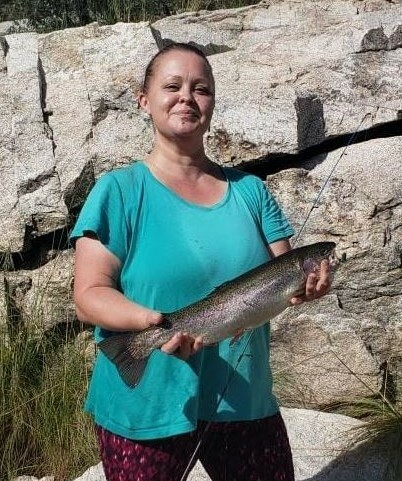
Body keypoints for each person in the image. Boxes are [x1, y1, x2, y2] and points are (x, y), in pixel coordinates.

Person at [71, 42, 330, 481]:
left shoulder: (252, 191)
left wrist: (309, 288)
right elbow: (89, 296)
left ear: (212, 102)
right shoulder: (117, 192)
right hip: (147, 404)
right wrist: (155, 323)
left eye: (201, 88)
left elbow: (285, 279)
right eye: (171, 86)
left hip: (244, 400)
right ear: (144, 100)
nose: (186, 97)